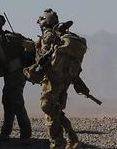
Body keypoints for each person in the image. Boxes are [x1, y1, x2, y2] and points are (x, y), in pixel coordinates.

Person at [29, 8, 84, 149]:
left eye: (41, 20)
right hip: (63, 77)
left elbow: (43, 58)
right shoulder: (58, 35)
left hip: (52, 78)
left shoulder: (48, 36)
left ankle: (57, 143)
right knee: (55, 108)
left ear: (44, 22)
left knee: (47, 106)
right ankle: (71, 138)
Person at [0, 12, 32, 143]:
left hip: (14, 75)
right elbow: (31, 45)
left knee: (16, 102)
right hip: (18, 73)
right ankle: (5, 133)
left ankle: (25, 135)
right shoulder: (12, 37)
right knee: (8, 101)